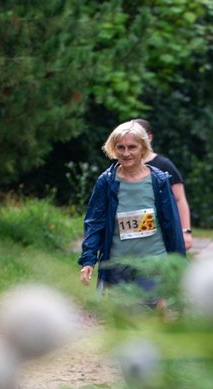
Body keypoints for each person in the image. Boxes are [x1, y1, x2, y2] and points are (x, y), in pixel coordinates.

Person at [79, 120, 185, 297]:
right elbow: (94, 223)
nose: (126, 153)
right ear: (113, 149)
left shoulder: (159, 181)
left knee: (144, 315)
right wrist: (88, 260)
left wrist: (178, 267)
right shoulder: (106, 181)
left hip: (153, 263)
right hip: (117, 265)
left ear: (143, 148)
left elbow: (171, 226)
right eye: (120, 147)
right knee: (120, 320)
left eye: (132, 147)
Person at [134, 118, 194, 252]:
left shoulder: (164, 165)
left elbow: (179, 199)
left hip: (160, 229)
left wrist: (185, 232)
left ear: (149, 137)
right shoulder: (122, 167)